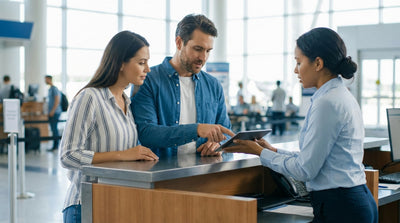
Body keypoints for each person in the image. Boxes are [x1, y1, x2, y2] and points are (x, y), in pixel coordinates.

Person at [224, 27, 378, 223]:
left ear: (318, 63)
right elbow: (315, 158)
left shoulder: (327, 103)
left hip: (340, 207)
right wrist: (273, 150)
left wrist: (260, 153)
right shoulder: (338, 95)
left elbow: (306, 169)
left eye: (299, 62)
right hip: (352, 201)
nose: (295, 70)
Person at [59, 31, 159, 223]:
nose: (148, 69)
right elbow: (68, 155)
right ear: (121, 63)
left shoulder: (126, 102)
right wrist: (124, 154)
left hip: (115, 205)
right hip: (85, 206)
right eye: (141, 62)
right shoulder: (89, 97)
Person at [132, 14, 234, 157]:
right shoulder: (148, 80)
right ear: (179, 43)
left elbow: (227, 133)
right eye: (198, 49)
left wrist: (218, 144)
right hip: (161, 172)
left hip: (204, 172)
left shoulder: (213, 85)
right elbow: (146, 133)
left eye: (208, 51)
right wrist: (196, 130)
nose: (203, 57)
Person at [45, 75, 62, 151]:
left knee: (54, 129)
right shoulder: (50, 89)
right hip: (52, 112)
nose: (45, 81)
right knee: (53, 129)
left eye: (46, 79)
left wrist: (52, 111)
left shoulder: (54, 89)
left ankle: (56, 146)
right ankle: (55, 145)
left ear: (49, 79)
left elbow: (57, 100)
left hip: (55, 112)